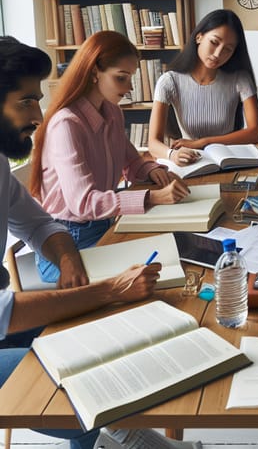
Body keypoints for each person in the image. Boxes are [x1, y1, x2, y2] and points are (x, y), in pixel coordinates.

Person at [0, 36, 200, 449]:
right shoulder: (66, 123)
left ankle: (119, 432)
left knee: (115, 334)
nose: (38, 115)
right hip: (73, 236)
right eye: (25, 101)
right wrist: (105, 289)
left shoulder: (2, 163)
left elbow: (38, 224)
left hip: (79, 239)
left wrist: (68, 256)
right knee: (91, 376)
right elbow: (2, 312)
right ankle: (119, 432)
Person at [29, 31, 189, 283]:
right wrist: (153, 196)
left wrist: (151, 170)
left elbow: (131, 160)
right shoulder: (66, 124)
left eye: (131, 78)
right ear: (94, 73)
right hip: (66, 246)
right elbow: (83, 204)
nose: (130, 87)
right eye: (121, 78)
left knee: (172, 254)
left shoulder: (112, 112)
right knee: (157, 269)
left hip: (104, 226)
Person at [148, 9, 258, 167]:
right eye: (214, 42)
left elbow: (256, 133)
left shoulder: (240, 78)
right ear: (199, 37)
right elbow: (153, 143)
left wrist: (204, 142)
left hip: (230, 161)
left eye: (227, 49)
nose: (218, 54)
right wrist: (172, 154)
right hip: (191, 161)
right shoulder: (169, 81)